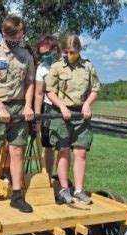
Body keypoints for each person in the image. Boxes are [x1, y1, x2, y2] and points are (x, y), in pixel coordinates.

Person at [0, 15, 35, 213]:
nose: (18, 37)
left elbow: (29, 82)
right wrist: (0, 107)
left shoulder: (26, 53)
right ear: (4, 33)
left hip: (19, 106)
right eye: (14, 34)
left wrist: (28, 106)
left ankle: (17, 195)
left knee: (17, 150)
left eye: (19, 34)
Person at [45, 35, 100, 205]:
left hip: (80, 114)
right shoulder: (56, 67)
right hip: (61, 114)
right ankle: (64, 189)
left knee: (81, 152)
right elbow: (49, 91)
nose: (70, 55)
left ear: (79, 51)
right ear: (62, 51)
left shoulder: (88, 67)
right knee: (63, 151)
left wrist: (87, 105)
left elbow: (95, 89)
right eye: (67, 52)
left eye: (73, 52)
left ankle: (78, 190)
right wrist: (62, 107)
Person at [34, 35, 62, 178]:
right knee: (49, 146)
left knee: (64, 147)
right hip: (48, 108)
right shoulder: (41, 68)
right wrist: (37, 117)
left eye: (46, 53)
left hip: (65, 108)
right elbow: (39, 93)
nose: (44, 57)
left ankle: (62, 181)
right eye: (41, 54)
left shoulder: (66, 63)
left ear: (55, 49)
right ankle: (49, 178)